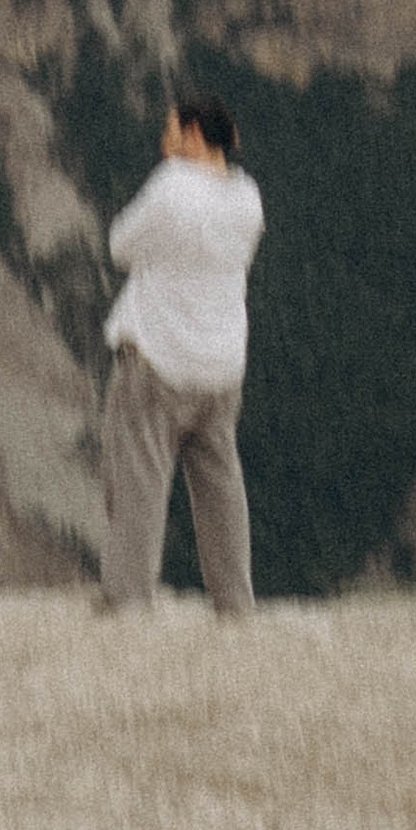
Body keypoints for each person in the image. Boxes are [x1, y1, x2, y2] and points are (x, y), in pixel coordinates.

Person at [99, 93, 264, 616]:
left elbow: (120, 246)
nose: (163, 142)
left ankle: (129, 599)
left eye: (171, 131)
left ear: (194, 135)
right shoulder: (248, 196)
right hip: (222, 364)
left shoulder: (170, 186)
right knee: (220, 483)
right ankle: (235, 603)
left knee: (141, 477)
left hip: (160, 356)